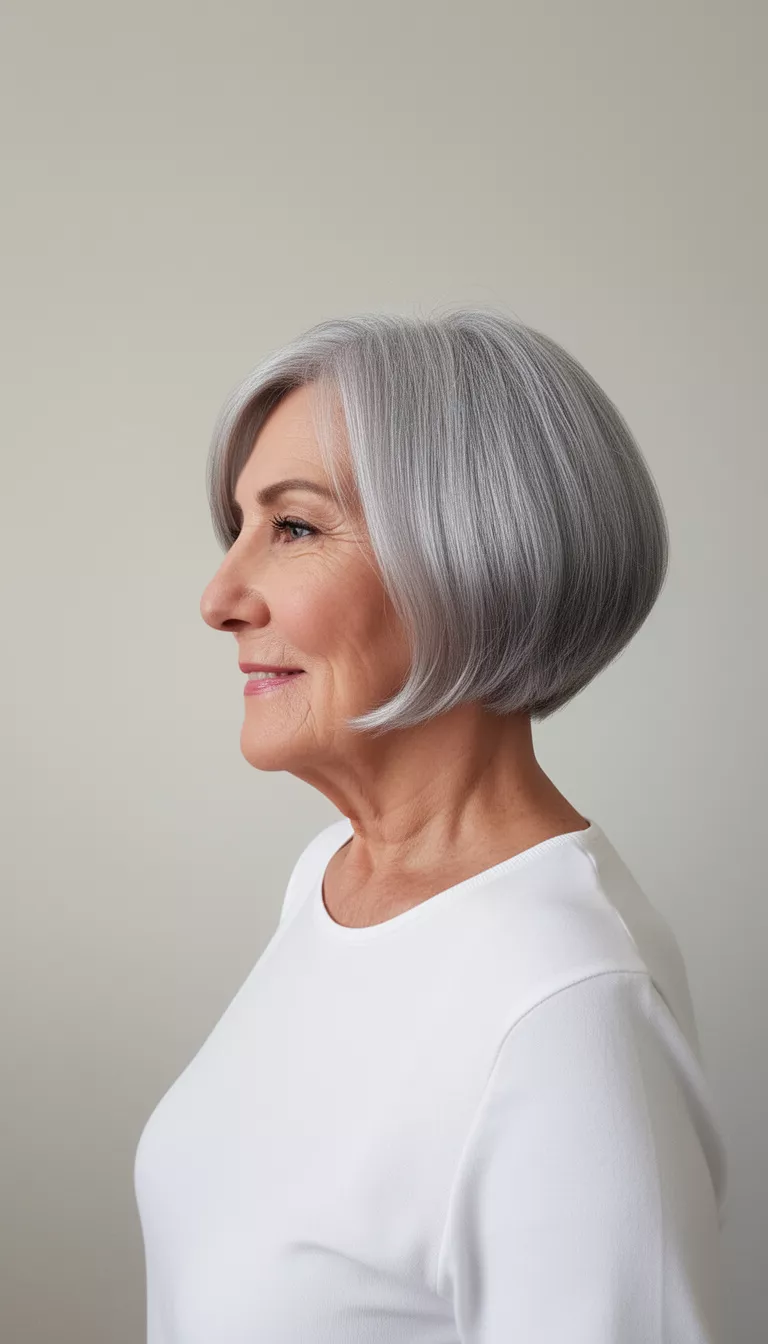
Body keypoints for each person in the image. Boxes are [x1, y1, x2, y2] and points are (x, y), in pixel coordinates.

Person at [133, 307, 728, 1342]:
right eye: (239, 527)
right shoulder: (334, 880)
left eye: (295, 527)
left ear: (471, 557)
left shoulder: (564, 1009)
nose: (220, 594)